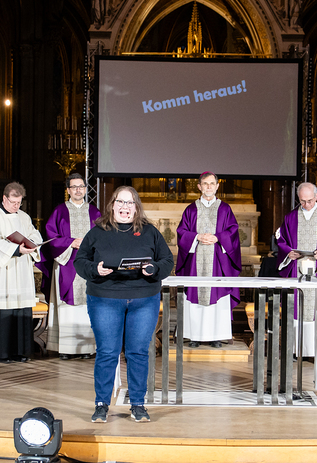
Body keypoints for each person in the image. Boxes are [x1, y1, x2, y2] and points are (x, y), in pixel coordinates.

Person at [74, 186, 175, 424]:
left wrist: (154, 269)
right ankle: (101, 404)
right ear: (112, 205)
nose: (125, 207)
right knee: (107, 352)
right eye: (120, 202)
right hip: (105, 298)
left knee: (138, 352)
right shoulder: (98, 232)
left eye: (130, 203)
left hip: (143, 299)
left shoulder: (150, 232)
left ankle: (137, 404)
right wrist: (95, 269)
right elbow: (80, 261)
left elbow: (167, 261)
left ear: (136, 207)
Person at [276, 182, 317, 396]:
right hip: (296, 270)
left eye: (310, 201)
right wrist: (289, 252)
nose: (306, 205)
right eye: (302, 201)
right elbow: (282, 240)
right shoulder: (290, 217)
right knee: (296, 308)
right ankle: (297, 350)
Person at [175, 172, 242, 348]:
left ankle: (217, 336)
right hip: (195, 262)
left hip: (218, 262)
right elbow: (181, 232)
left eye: (212, 183)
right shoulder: (191, 209)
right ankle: (194, 336)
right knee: (194, 294)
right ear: (199, 186)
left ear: (217, 186)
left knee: (218, 294)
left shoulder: (225, 209)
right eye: (205, 184)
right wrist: (196, 236)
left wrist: (218, 238)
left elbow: (233, 231)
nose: (209, 187)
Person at [38, 172, 101, 359]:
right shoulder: (60, 211)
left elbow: (103, 237)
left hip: (89, 266)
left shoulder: (95, 212)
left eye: (81, 186)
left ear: (85, 189)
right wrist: (70, 242)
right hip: (66, 263)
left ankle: (86, 348)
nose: (78, 190)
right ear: (68, 190)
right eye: (74, 187)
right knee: (67, 307)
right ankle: (66, 349)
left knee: (87, 306)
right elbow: (51, 238)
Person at [0, 182, 42, 363]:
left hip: (21, 271)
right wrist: (16, 249)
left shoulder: (24, 216)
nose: (16, 206)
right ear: (4, 198)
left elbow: (35, 234)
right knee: (2, 310)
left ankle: (20, 352)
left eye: (19, 202)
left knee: (20, 310)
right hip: (1, 271)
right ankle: (0, 353)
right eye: (13, 202)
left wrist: (32, 243)